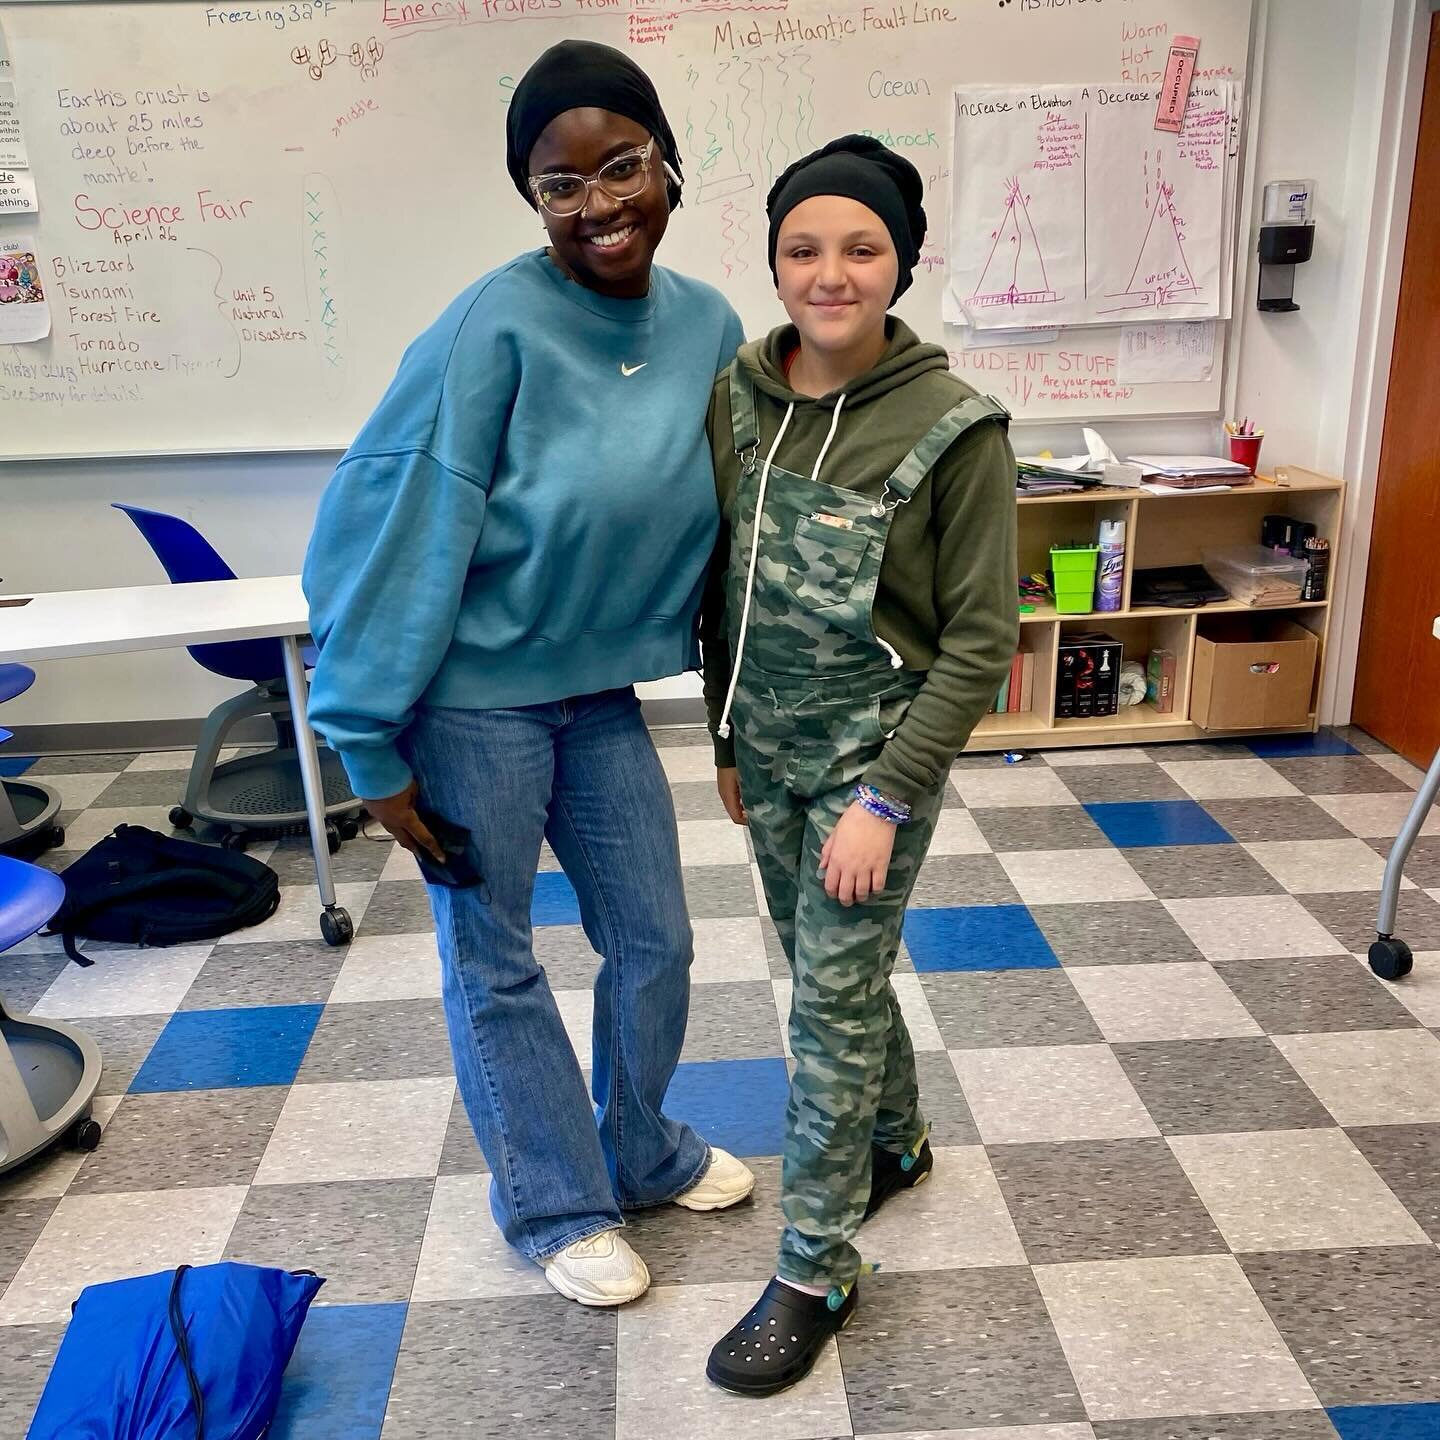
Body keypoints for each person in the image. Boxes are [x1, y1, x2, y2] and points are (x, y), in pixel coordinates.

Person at [302, 39, 755, 1309]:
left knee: (655, 938)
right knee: (494, 953)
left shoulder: (709, 325)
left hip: (599, 694)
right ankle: (554, 1204)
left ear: (669, 164)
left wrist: (731, 711)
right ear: (531, 199)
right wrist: (366, 747)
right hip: (469, 703)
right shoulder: (492, 326)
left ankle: (640, 1149)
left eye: (623, 168)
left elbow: (731, 531)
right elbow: (399, 529)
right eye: (561, 185)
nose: (600, 204)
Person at [699, 135, 1018, 1393]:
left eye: (861, 248)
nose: (830, 274)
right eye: (803, 248)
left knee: (826, 1005)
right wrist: (726, 733)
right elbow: (725, 579)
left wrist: (887, 798)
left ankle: (814, 1266)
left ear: (902, 262)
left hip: (871, 765)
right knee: (830, 968)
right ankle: (896, 1141)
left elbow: (983, 644)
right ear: (776, 261)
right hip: (764, 748)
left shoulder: (957, 429)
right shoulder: (739, 396)